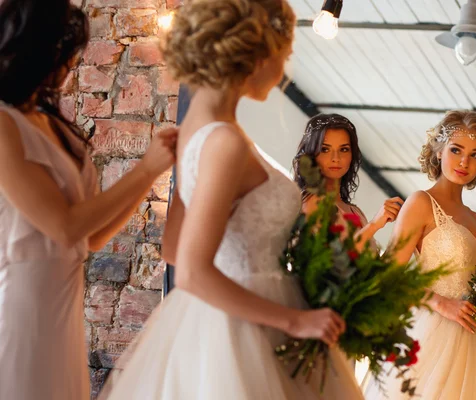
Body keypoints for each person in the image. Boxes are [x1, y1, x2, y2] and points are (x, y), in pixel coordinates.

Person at [99, 1, 364, 399]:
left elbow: (172, 247)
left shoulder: (195, 129)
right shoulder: (224, 141)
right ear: (255, 53)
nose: (282, 73)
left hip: (213, 324)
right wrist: (295, 321)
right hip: (246, 331)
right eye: (284, 56)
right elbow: (189, 272)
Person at [0, 2, 176, 400]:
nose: (69, 64)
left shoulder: (52, 124)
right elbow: (64, 227)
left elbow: (92, 237)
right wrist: (145, 170)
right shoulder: (4, 124)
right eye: (62, 50)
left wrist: (148, 178)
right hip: (22, 308)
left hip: (63, 304)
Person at [363, 110, 476, 399]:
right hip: (431, 334)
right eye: (456, 150)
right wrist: (441, 303)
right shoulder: (421, 202)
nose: (464, 162)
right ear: (438, 151)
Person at [294, 113, 402, 252]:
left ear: (352, 154)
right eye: (325, 149)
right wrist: (374, 225)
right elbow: (333, 263)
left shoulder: (355, 211)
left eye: (343, 149)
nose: (335, 158)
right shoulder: (312, 203)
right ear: (311, 154)